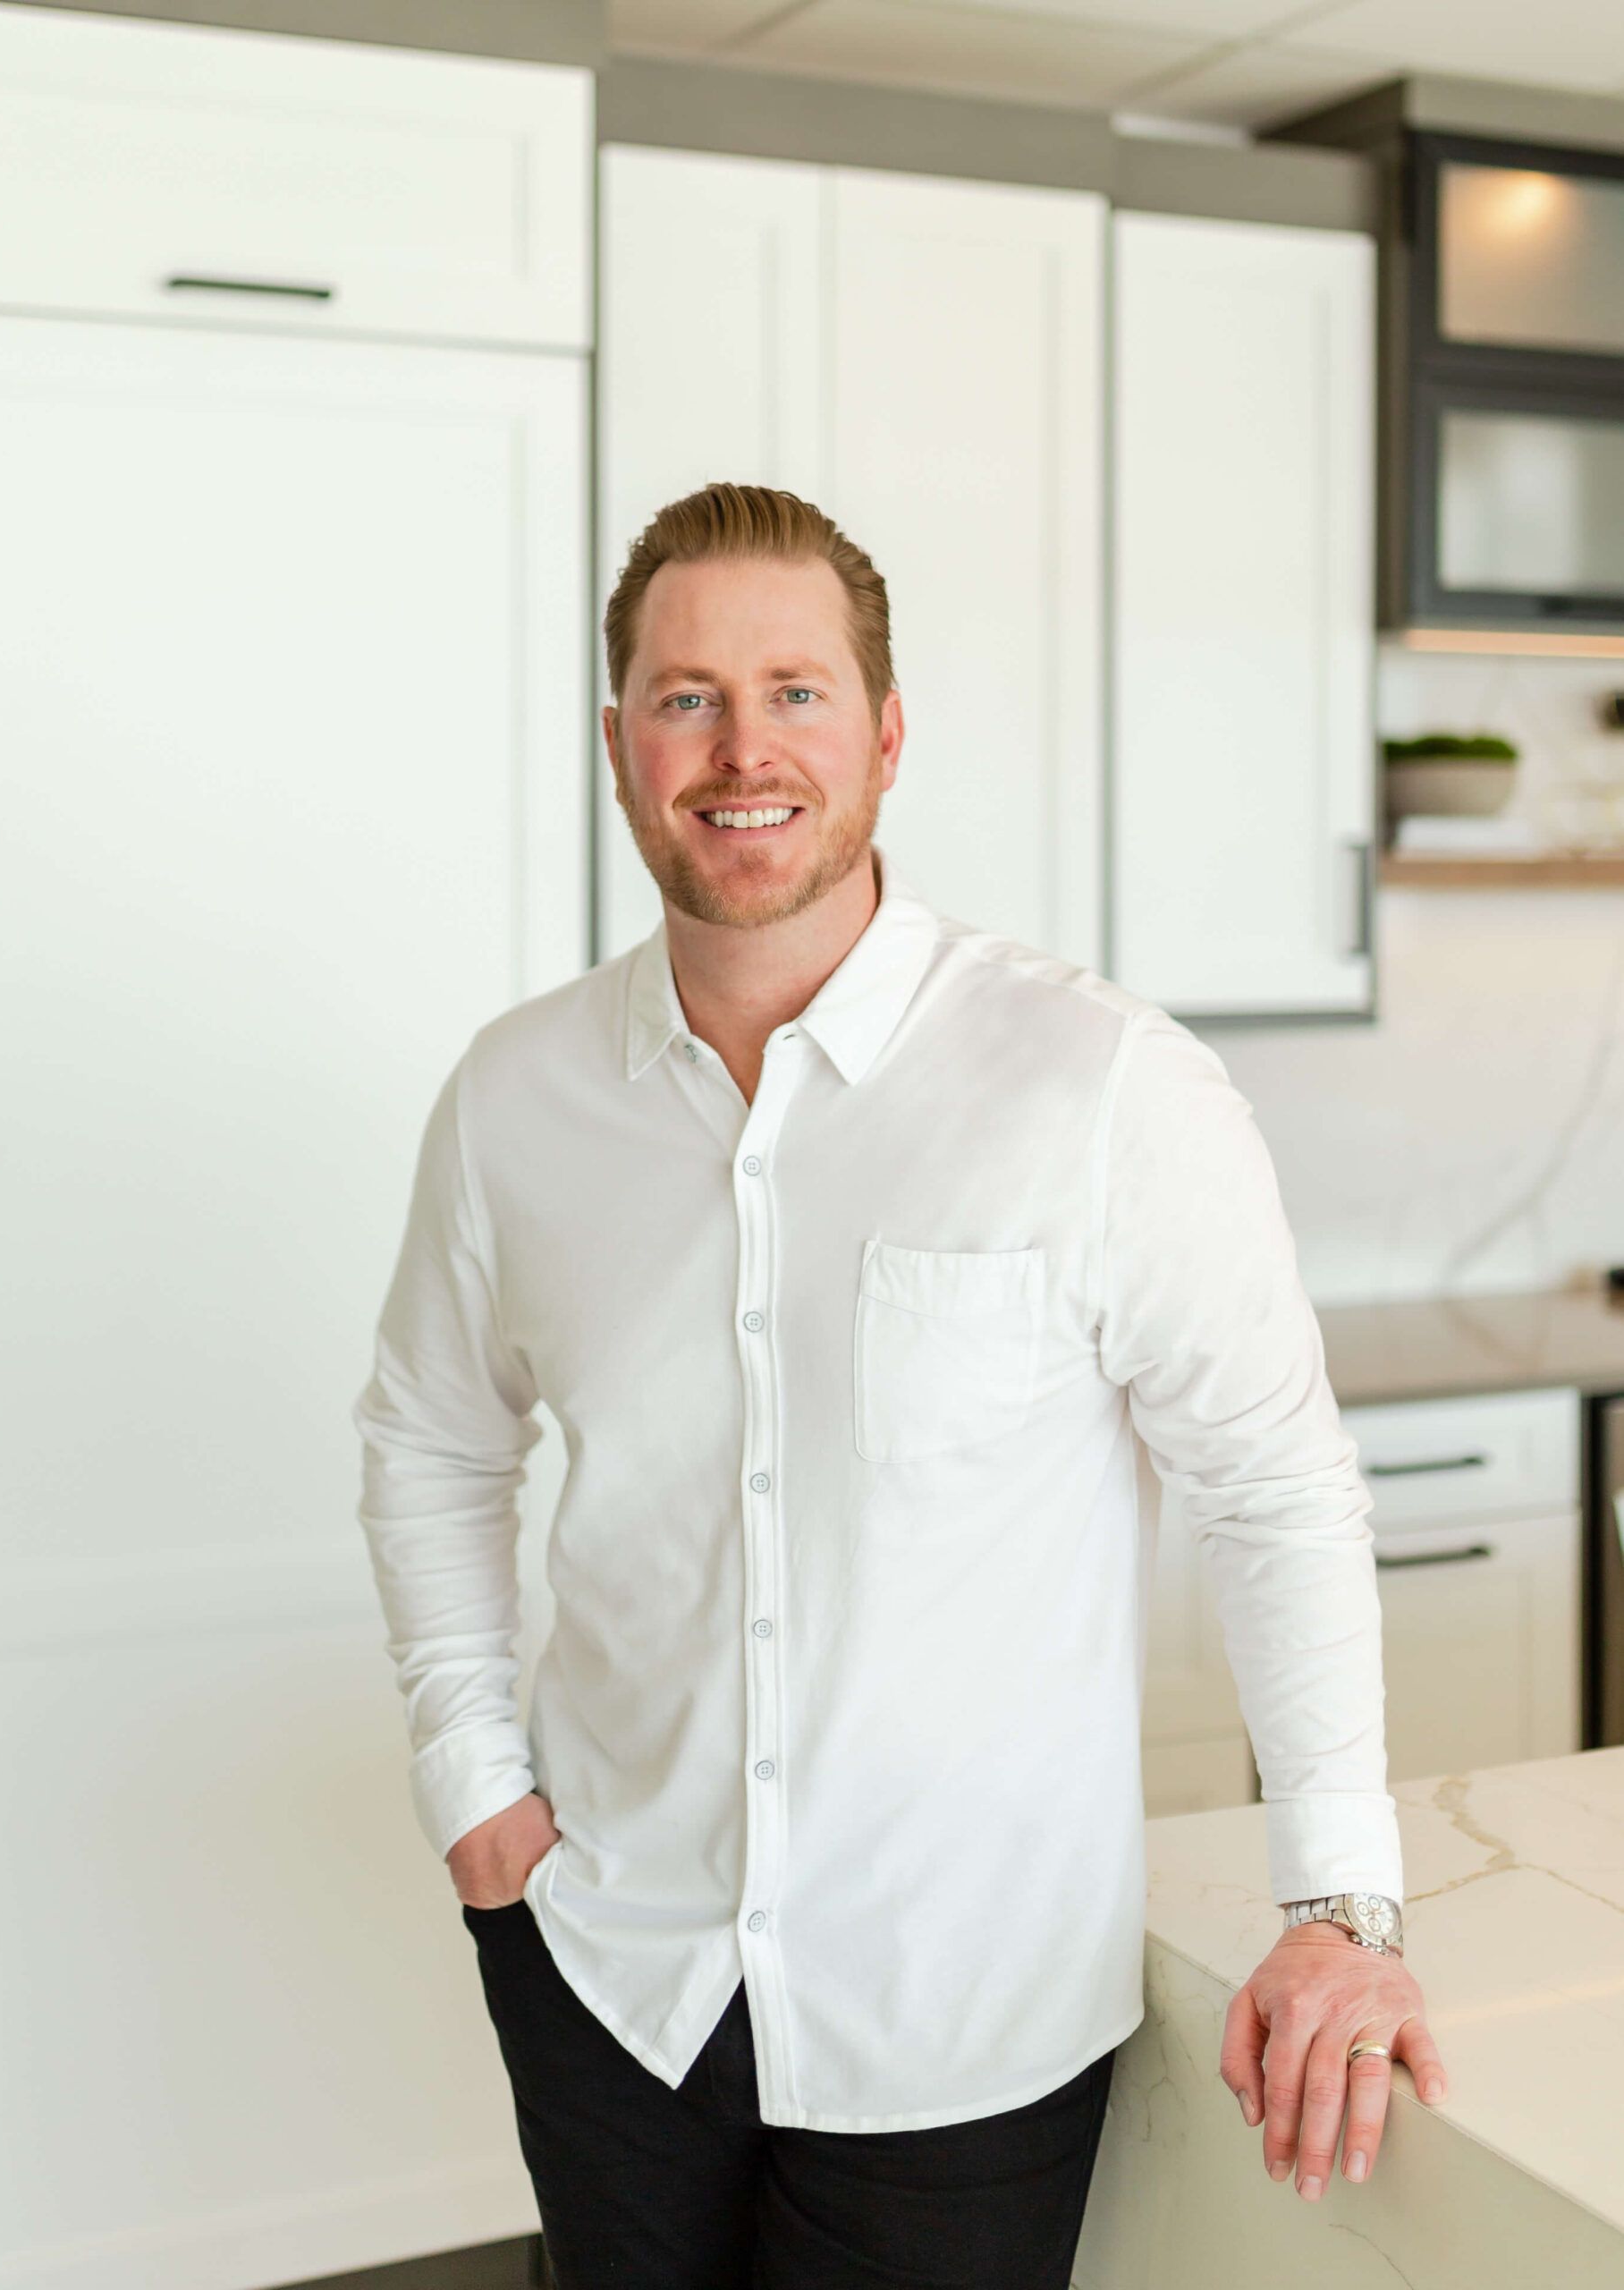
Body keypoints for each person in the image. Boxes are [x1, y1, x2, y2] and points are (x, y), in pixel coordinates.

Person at [351, 481, 1448, 2288]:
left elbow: (1274, 1488)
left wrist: (1336, 1904)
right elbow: (428, 1436)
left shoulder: (1100, 1088)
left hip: (964, 2023)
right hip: (611, 1973)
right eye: (686, 693)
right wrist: (476, 1777)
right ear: (621, 739)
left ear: (885, 731)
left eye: (794, 688)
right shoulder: (514, 1097)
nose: (740, 745)